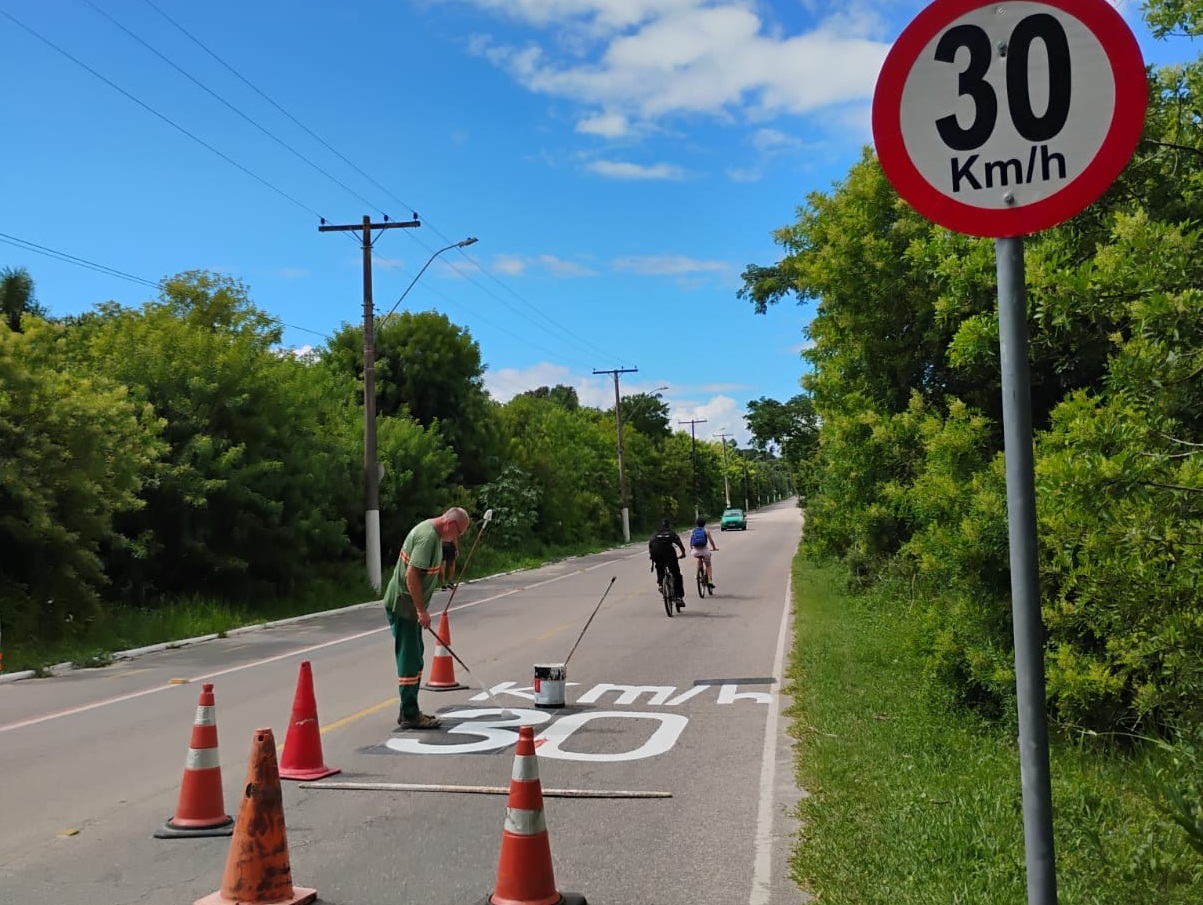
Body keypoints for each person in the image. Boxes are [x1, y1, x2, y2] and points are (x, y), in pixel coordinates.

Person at [383, 506, 470, 729]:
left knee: (416, 656)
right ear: (450, 525)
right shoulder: (428, 538)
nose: (457, 538)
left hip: (408, 607)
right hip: (404, 607)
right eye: (459, 532)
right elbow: (411, 574)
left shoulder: (436, 534)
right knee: (410, 660)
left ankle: (408, 710)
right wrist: (421, 611)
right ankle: (410, 715)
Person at [648, 518, 686, 608]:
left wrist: (652, 555)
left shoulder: (655, 534)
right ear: (669, 526)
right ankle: (678, 597)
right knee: (676, 575)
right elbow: (680, 544)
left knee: (659, 567)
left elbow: (650, 545)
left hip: (656, 553)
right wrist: (683, 553)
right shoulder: (672, 533)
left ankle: (661, 584)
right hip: (669, 554)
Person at [689, 517, 718, 590]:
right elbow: (711, 541)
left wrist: (691, 549)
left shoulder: (693, 531)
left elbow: (691, 542)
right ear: (704, 524)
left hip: (695, 552)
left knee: (699, 559)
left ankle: (697, 574)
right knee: (708, 565)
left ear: (696, 523)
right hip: (704, 551)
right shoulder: (706, 531)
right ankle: (710, 581)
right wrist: (714, 548)